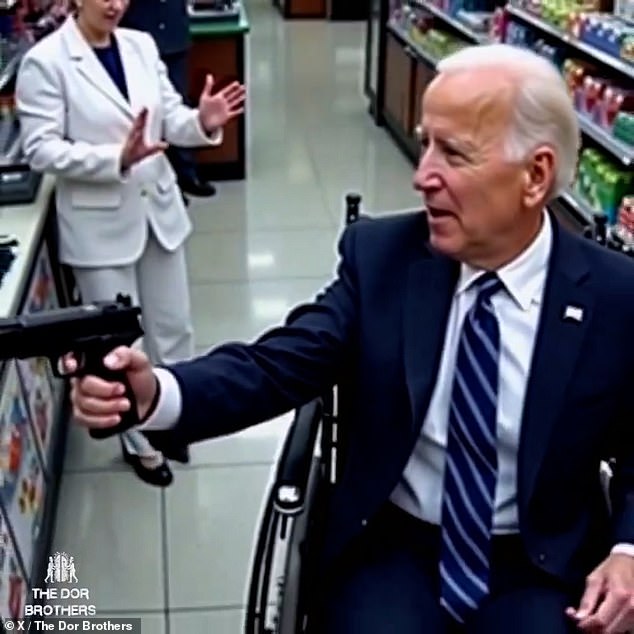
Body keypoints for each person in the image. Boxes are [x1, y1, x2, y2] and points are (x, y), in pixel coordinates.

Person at [68, 43, 634, 633]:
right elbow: (276, 365)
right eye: (425, 144)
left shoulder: (616, 296)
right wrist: (155, 392)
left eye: (454, 154)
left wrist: (628, 553)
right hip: (396, 541)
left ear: (535, 175)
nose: (422, 177)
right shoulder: (383, 258)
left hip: (540, 560)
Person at [15, 0, 245, 487]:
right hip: (100, 224)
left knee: (174, 325)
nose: (116, 4)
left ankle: (175, 415)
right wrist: (114, 158)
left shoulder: (140, 45)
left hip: (157, 211)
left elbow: (170, 121)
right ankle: (139, 442)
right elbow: (40, 148)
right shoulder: (46, 61)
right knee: (119, 344)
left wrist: (202, 122)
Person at [118, 0, 217, 199]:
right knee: (145, 114)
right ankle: (165, 183)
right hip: (137, 28)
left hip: (173, 30)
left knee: (177, 103)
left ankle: (186, 174)